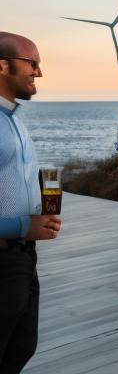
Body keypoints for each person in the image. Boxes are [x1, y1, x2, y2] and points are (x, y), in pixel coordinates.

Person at [0, 32, 62, 374]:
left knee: (22, 345)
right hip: (4, 256)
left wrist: (43, 202)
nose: (38, 72)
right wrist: (24, 225)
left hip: (23, 255)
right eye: (32, 63)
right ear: (3, 64)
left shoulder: (15, 121)